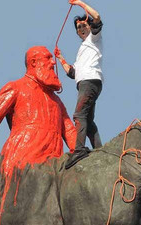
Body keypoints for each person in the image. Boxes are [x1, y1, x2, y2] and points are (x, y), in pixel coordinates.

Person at [0, 46, 77, 217]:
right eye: (48, 58)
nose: (53, 62)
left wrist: (82, 158)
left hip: (53, 163)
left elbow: (70, 131)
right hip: (22, 160)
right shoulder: (16, 87)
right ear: (33, 63)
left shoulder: (57, 101)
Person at [54, 0, 103, 169]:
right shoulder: (84, 48)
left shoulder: (94, 38)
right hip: (86, 82)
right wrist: (60, 58)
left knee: (79, 116)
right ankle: (100, 150)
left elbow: (96, 16)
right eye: (78, 28)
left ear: (89, 26)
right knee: (88, 121)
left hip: (89, 82)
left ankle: (79, 150)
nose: (81, 29)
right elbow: (72, 72)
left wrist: (80, 3)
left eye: (83, 25)